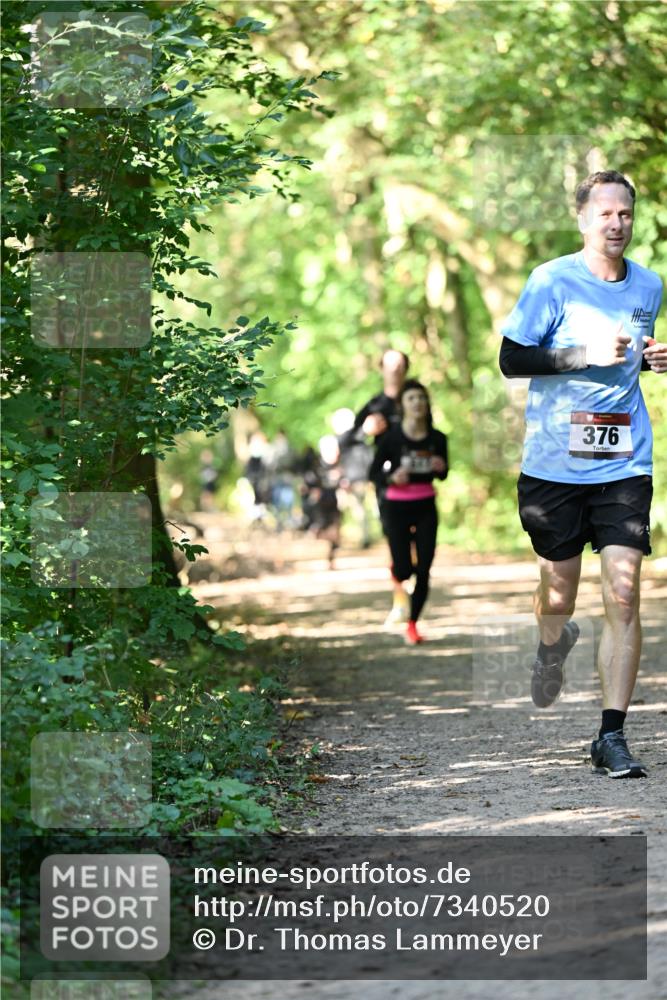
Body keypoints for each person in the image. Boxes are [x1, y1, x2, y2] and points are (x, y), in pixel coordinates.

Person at [499, 169, 665, 779]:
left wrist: (655, 359)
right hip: (554, 464)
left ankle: (612, 735)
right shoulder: (551, 281)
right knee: (560, 595)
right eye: (605, 214)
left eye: (625, 214)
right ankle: (551, 645)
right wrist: (582, 355)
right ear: (583, 219)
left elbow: (632, 358)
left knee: (623, 593)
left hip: (624, 460)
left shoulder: (650, 286)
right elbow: (511, 359)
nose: (616, 223)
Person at [369, 380, 448, 645]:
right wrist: (392, 477)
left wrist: (439, 466)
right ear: (403, 405)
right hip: (397, 507)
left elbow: (444, 474)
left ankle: (413, 624)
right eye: (411, 398)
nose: (418, 403)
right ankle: (398, 570)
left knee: (424, 569)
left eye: (421, 398)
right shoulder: (392, 438)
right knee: (404, 570)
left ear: (427, 404)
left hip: (425, 504)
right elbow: (373, 472)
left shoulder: (438, 438)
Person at [340, 349, 411, 621]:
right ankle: (401, 598)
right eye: (389, 364)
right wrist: (365, 431)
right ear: (380, 368)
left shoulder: (415, 398)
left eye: (400, 363)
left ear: (405, 368)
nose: (394, 369)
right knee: (395, 541)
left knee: (416, 541)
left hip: (418, 481)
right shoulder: (374, 405)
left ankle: (413, 586)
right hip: (386, 483)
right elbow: (346, 441)